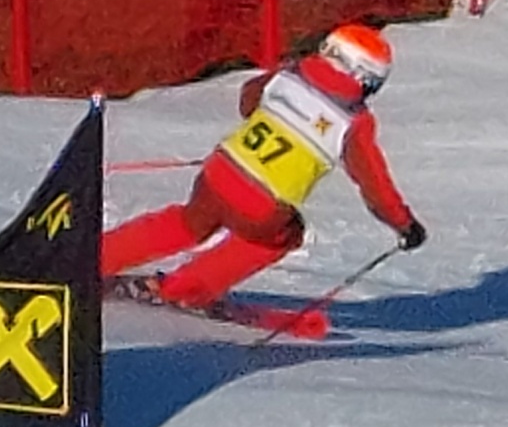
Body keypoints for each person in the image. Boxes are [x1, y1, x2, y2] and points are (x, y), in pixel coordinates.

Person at [100, 22, 426, 313]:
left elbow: (248, 101)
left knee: (188, 223)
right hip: (263, 207)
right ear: (364, 78)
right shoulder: (354, 122)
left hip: (218, 173)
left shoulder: (290, 74)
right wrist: (404, 225)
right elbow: (375, 188)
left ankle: (99, 255)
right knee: (285, 235)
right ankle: (185, 289)